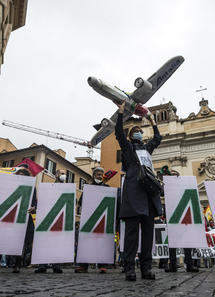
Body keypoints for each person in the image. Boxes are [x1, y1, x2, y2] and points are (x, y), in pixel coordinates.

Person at [115, 101, 162, 281]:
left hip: (149, 194)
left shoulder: (147, 148)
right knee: (132, 235)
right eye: (135, 132)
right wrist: (120, 114)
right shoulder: (128, 148)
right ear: (131, 135)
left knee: (148, 234)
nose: (138, 133)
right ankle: (129, 268)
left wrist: (153, 122)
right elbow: (119, 133)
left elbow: (157, 139)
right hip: (134, 193)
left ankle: (146, 268)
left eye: (140, 132)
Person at [0, 168, 38, 274]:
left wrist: (34, 207)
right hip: (9, 216)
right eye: (19, 175)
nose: (21, 177)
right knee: (2, 240)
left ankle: (17, 265)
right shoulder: (9, 186)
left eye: (23, 176)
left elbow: (35, 202)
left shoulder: (32, 188)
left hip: (23, 216)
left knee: (20, 242)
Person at [75, 167, 109, 273]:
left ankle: (102, 265)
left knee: (102, 241)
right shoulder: (88, 188)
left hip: (102, 218)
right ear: (94, 175)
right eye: (98, 174)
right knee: (85, 241)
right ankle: (83, 265)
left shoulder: (107, 188)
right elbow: (80, 203)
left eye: (101, 174)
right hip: (89, 218)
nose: (99, 176)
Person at [164, 169, 199, 273]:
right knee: (172, 243)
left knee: (187, 242)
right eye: (172, 175)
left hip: (184, 217)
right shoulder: (166, 186)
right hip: (172, 217)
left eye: (175, 174)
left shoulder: (183, 185)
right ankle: (173, 265)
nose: (174, 176)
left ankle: (189, 265)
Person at [33, 169, 65, 274]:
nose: (63, 175)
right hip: (48, 218)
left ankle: (56, 265)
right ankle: (43, 265)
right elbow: (42, 200)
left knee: (57, 243)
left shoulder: (68, 189)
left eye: (65, 174)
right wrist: (36, 208)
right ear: (56, 175)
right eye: (61, 173)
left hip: (60, 219)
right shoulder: (49, 187)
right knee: (45, 242)